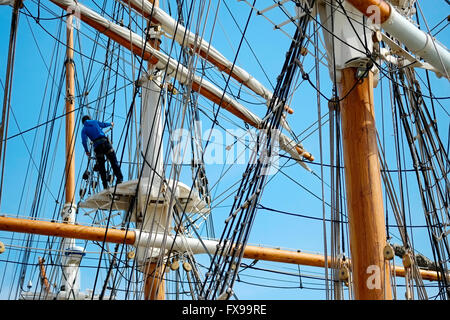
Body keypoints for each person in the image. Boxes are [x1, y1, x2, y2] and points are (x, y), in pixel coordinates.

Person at [81, 115, 123, 189]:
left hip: (97, 147)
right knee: (113, 161)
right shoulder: (94, 122)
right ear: (89, 119)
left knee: (101, 167)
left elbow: (84, 141)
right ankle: (119, 179)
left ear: (83, 122)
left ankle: (105, 186)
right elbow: (103, 125)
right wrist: (110, 124)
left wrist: (87, 151)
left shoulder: (84, 129)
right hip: (105, 143)